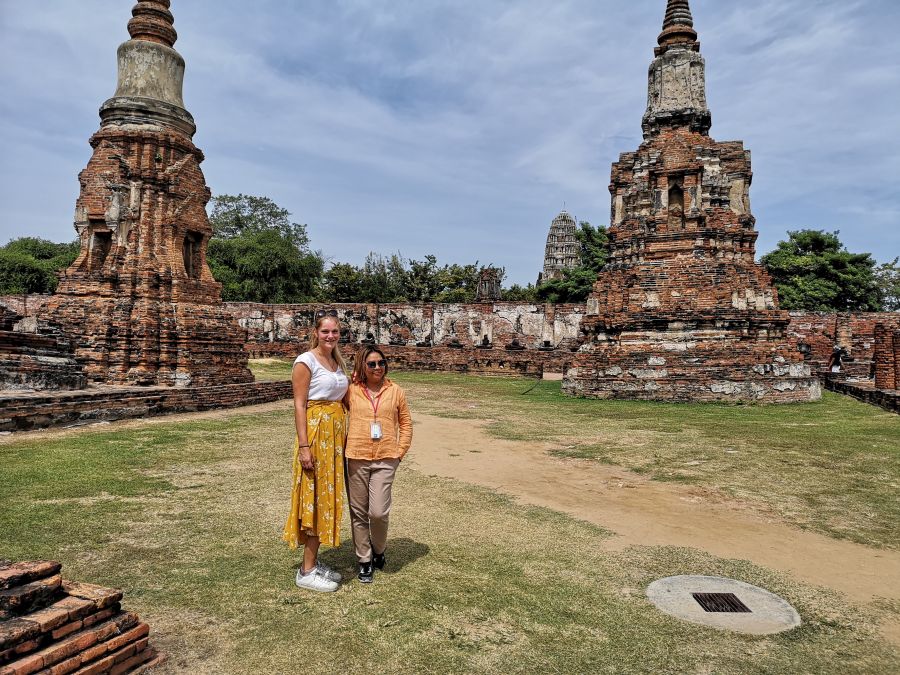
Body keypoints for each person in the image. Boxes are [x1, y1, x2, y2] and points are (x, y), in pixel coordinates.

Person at [283, 311, 349, 592]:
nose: (330, 336)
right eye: (326, 332)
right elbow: (299, 405)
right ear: (316, 332)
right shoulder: (305, 361)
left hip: (334, 437)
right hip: (315, 434)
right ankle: (306, 571)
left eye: (335, 332)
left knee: (328, 495)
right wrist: (304, 446)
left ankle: (313, 561)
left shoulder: (337, 361)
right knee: (315, 496)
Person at [344, 347, 413, 583]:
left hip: (385, 457)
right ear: (362, 366)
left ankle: (379, 550)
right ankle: (364, 559)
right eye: (371, 364)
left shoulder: (395, 391)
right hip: (357, 456)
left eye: (381, 363)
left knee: (378, 512)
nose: (377, 368)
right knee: (358, 512)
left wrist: (399, 452)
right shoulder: (351, 391)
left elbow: (406, 423)